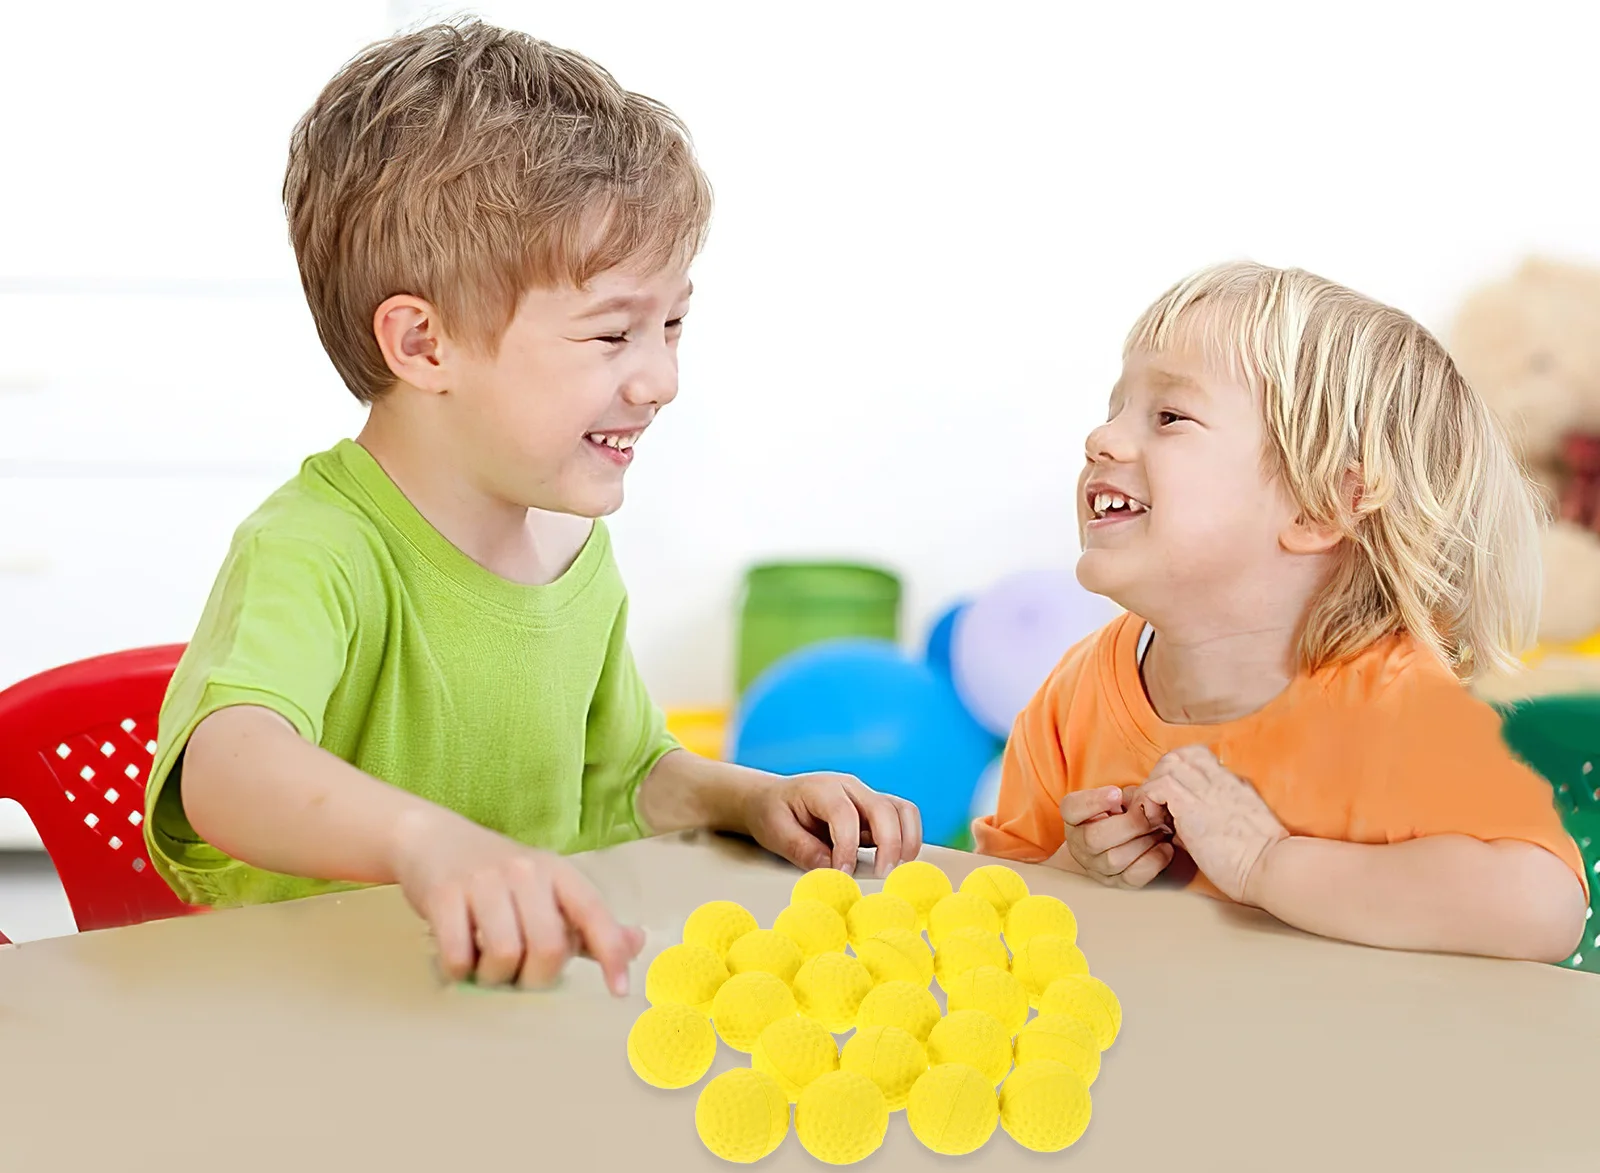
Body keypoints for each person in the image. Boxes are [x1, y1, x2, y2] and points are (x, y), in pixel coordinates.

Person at [145, 21, 922, 993]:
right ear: (424, 345)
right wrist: (427, 842)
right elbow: (226, 771)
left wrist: (751, 798)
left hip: (503, 1022)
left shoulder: (572, 548)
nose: (662, 378)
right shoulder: (315, 548)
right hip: (312, 1020)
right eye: (612, 334)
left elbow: (623, 775)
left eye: (672, 322)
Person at [974, 262, 1588, 963]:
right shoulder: (1073, 697)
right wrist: (1070, 871)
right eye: (1116, 408)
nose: (1101, 439)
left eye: (1168, 416)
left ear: (1320, 506)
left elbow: (1543, 907)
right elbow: (995, 910)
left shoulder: (1392, 705)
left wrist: (1267, 864)